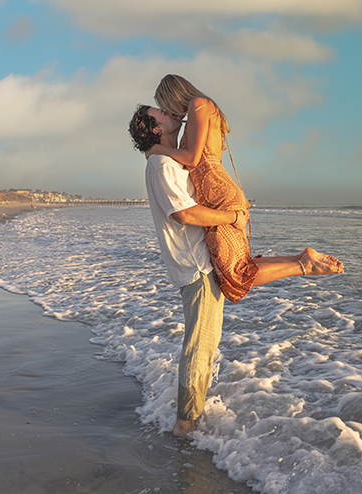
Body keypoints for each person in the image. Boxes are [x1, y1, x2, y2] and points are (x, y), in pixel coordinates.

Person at [129, 104, 343, 438]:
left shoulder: (164, 158)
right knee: (200, 345)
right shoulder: (160, 164)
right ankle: (186, 423)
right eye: (163, 114)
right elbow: (183, 213)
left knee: (219, 315)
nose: (171, 113)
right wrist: (231, 218)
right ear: (155, 129)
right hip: (195, 266)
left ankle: (190, 416)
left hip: (200, 260)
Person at [146, 74, 264, 302]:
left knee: (235, 275)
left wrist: (156, 150)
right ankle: (302, 260)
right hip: (214, 195)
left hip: (219, 195)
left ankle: (302, 264)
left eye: (166, 106)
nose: (169, 112)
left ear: (173, 95)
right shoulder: (198, 109)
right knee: (234, 271)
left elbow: (191, 158)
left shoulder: (199, 104)